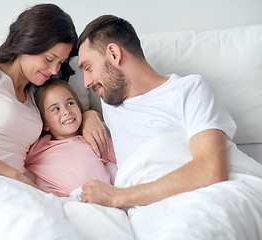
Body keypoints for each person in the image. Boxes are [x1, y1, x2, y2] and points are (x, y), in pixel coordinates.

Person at [0, 3, 105, 193]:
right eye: (49, 59)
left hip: (15, 189)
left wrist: (89, 115)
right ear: (27, 43)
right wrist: (15, 176)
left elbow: (62, 121)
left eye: (60, 63)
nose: (55, 70)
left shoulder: (36, 96)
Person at [77, 15, 237, 207]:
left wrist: (118, 196)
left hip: (204, 199)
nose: (86, 82)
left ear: (113, 54)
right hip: (153, 210)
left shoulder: (190, 89)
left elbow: (211, 170)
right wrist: (87, 115)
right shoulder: (109, 101)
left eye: (88, 67)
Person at [25, 80, 116, 197]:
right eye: (56, 109)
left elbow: (124, 157)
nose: (66, 111)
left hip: (100, 198)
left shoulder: (92, 139)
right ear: (45, 124)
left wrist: (90, 114)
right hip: (64, 202)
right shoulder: (37, 148)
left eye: (70, 103)